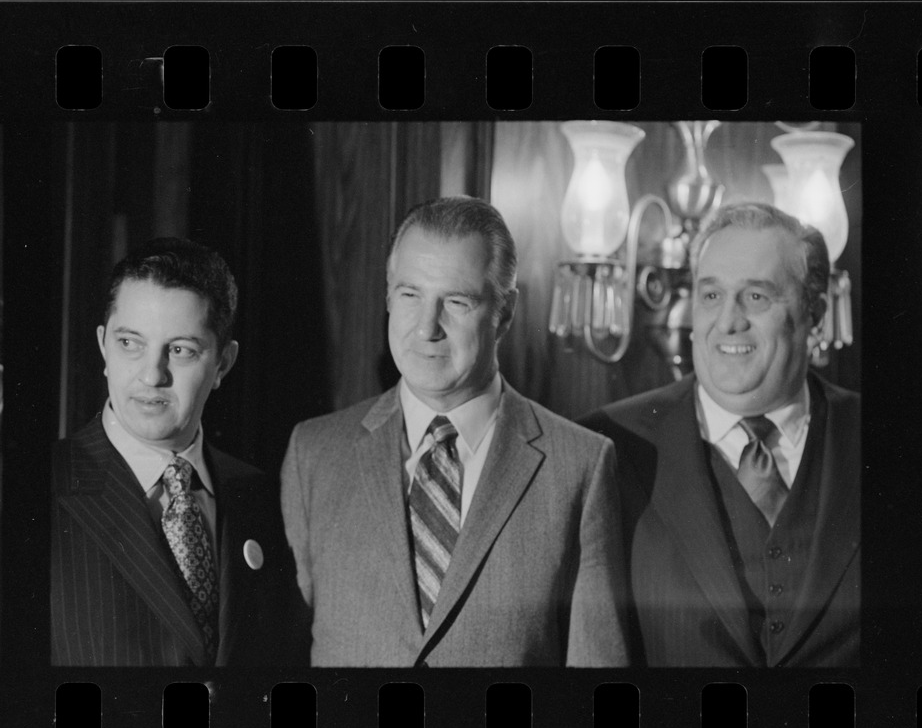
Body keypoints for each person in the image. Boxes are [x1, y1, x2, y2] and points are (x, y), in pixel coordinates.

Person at [282, 196, 630, 666]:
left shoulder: (579, 467)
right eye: (410, 295)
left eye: (457, 302)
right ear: (388, 296)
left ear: (504, 313)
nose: (427, 327)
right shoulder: (315, 452)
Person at [582, 202, 860, 667]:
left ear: (815, 314)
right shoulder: (607, 445)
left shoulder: (891, 440)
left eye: (756, 297)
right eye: (711, 296)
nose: (728, 321)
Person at [51, 238, 309, 666]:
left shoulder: (264, 498)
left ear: (223, 364)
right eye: (130, 343)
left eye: (180, 350)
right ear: (103, 347)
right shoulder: (36, 488)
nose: (152, 375)